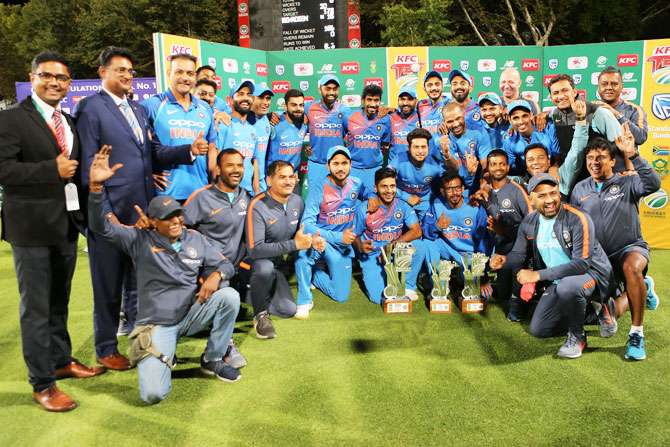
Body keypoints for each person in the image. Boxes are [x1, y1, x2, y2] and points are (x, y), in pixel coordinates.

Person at [74, 46, 204, 370]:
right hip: (110, 212)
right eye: (120, 70)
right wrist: (100, 212)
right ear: (102, 72)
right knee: (107, 284)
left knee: (138, 283)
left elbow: (154, 154)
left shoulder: (138, 110)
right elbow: (90, 167)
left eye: (130, 71)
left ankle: (139, 337)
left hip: (143, 211)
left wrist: (189, 150)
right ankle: (105, 348)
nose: (127, 75)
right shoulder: (90, 108)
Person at [88, 145, 242, 403]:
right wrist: (95, 189)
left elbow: (226, 264)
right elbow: (101, 228)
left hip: (192, 313)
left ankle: (213, 358)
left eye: (178, 216)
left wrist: (216, 276)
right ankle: (160, 353)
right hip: (158, 323)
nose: (175, 222)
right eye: (167, 218)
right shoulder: (139, 239)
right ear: (153, 221)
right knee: (152, 394)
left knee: (230, 295)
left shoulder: (194, 238)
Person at [0, 51, 105, 412]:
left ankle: (61, 362)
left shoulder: (68, 120)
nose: (55, 82)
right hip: (29, 229)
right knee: (36, 309)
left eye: (62, 77)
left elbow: (71, 171)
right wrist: (50, 169)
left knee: (59, 302)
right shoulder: (12, 119)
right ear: (33, 78)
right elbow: (4, 171)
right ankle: (42, 383)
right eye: (47, 76)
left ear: (69, 84)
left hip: (65, 226)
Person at [489, 173, 612, 358]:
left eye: (553, 193)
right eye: (542, 196)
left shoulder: (578, 217)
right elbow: (519, 254)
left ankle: (578, 337)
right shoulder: (529, 223)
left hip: (592, 275)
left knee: (568, 287)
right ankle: (598, 309)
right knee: (540, 328)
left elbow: (581, 264)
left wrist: (538, 275)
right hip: (558, 280)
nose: (549, 200)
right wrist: (505, 261)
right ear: (531, 199)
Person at [570, 134, 661, 360]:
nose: (595, 161)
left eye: (601, 157)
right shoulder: (580, 190)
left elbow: (653, 184)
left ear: (612, 161)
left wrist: (632, 154)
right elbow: (575, 226)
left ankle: (636, 335)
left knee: (632, 269)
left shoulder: (628, 180)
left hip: (630, 248)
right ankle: (643, 288)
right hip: (599, 259)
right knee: (604, 315)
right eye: (591, 157)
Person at [183, 148, 252, 367]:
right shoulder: (201, 197)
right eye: (230, 165)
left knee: (265, 268)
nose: (236, 170)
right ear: (218, 169)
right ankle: (224, 346)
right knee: (222, 284)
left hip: (235, 263)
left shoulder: (245, 196)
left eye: (240, 165)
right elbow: (180, 231)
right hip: (209, 266)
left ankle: (260, 315)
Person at [244, 161, 322, 337]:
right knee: (264, 268)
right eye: (282, 177)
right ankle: (260, 314)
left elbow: (301, 233)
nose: (289, 181)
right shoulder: (257, 205)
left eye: (291, 176)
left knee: (287, 310)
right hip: (253, 263)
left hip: (278, 264)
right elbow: (254, 250)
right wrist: (294, 245)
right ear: (269, 180)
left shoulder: (296, 201)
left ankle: (250, 292)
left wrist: (313, 241)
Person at [294, 146, 368, 318]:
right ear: (328, 166)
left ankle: (315, 274)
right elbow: (306, 224)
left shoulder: (356, 183)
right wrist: (337, 237)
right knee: (302, 255)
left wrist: (371, 198)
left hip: (342, 248)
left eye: (344, 163)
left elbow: (370, 193)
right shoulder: (318, 188)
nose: (340, 168)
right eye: (335, 163)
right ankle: (305, 300)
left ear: (350, 165)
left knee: (341, 296)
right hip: (323, 242)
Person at [142, 53, 217, 201]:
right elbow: (139, 149)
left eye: (190, 73)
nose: (185, 77)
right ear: (169, 74)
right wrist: (146, 175)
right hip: (166, 194)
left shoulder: (205, 108)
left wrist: (213, 184)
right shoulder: (151, 106)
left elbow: (212, 150)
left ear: (195, 77)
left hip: (201, 192)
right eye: (179, 72)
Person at [470, 150, 533, 320]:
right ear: (488, 168)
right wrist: (475, 198)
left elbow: (532, 223)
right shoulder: (487, 193)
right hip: (501, 249)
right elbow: (480, 201)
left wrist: (503, 230)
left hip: (520, 249)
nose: (498, 168)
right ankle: (512, 292)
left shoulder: (517, 190)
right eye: (494, 164)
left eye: (502, 164)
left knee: (514, 286)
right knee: (502, 294)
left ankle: (518, 305)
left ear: (508, 166)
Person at [353, 168, 427, 303]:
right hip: (373, 255)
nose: (389, 190)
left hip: (394, 251)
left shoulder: (403, 206)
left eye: (392, 186)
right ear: (376, 188)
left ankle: (408, 286)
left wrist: (391, 245)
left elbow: (417, 231)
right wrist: (359, 245)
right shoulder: (363, 209)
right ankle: (387, 274)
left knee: (419, 246)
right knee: (378, 298)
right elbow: (354, 235)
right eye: (384, 186)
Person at [422, 171, 493, 298]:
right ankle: (440, 286)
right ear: (443, 191)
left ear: (463, 189)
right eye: (449, 189)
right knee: (428, 243)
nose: (454, 193)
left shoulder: (474, 206)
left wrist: (483, 274)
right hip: (448, 249)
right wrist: (437, 226)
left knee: (481, 294)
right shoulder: (437, 204)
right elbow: (425, 230)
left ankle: (462, 274)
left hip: (470, 254)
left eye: (457, 188)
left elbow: (484, 240)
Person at [546, 74, 623, 183]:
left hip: (601, 180)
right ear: (551, 97)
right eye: (555, 93)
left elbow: (621, 145)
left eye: (565, 90)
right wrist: (541, 116)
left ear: (574, 92)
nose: (561, 96)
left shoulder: (597, 112)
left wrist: (625, 172)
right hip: (573, 183)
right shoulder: (555, 115)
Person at [389, 127, 457, 220]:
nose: (420, 151)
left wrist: (446, 154)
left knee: (427, 227)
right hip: (402, 199)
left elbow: (452, 175)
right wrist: (406, 197)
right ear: (409, 148)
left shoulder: (435, 164)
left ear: (428, 148)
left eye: (423, 147)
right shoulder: (399, 159)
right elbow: (384, 181)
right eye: (416, 147)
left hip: (425, 201)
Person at [213, 80, 258, 194]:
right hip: (227, 192)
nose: (246, 98)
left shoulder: (252, 129)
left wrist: (256, 192)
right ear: (231, 100)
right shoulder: (224, 124)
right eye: (240, 94)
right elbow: (215, 159)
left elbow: (254, 162)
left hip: (248, 194)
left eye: (249, 95)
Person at [344, 84, 391, 190]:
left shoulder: (385, 119)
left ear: (380, 101)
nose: (373, 104)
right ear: (363, 101)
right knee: (352, 204)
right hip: (353, 169)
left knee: (373, 204)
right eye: (369, 100)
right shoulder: (349, 116)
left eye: (376, 100)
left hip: (374, 170)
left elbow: (386, 143)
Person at [304, 75, 351, 185]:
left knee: (337, 200)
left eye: (335, 89)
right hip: (317, 164)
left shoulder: (344, 109)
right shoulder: (308, 108)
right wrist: (270, 116)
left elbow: (356, 132)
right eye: (328, 88)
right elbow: (289, 114)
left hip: (337, 166)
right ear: (320, 90)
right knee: (315, 200)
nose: (331, 92)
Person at [432, 102, 490, 184]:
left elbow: (485, 165)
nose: (456, 124)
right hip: (453, 184)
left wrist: (483, 185)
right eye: (450, 121)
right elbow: (453, 169)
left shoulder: (479, 131)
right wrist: (446, 153)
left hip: (475, 179)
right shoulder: (441, 138)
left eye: (458, 118)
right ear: (444, 121)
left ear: (463, 114)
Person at [595, 66, 648, 150]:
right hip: (597, 161)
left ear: (621, 87)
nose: (609, 87)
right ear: (598, 88)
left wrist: (616, 114)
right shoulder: (591, 110)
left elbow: (641, 137)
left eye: (614, 84)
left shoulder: (634, 110)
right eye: (604, 84)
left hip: (624, 162)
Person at [502, 100, 560, 176]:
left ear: (531, 115)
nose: (521, 121)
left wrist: (555, 167)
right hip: (526, 178)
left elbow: (559, 159)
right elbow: (507, 167)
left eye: (524, 116)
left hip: (551, 174)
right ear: (510, 120)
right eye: (516, 118)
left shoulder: (548, 128)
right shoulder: (510, 140)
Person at [266, 89, 306, 173]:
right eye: (294, 105)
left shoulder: (304, 122)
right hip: (274, 178)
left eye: (301, 105)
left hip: (293, 178)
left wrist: (339, 104)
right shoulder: (274, 121)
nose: (298, 108)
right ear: (285, 106)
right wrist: (267, 116)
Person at [249, 85, 274, 192]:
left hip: (261, 182)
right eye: (260, 97)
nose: (265, 102)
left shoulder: (266, 119)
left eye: (268, 98)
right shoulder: (242, 120)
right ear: (251, 99)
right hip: (246, 183)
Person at [387, 86, 420, 164]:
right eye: (402, 99)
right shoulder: (390, 117)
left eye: (410, 99)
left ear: (416, 101)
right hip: (394, 167)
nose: (405, 103)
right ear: (398, 100)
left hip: (415, 166)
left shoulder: (422, 117)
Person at [417, 71, 448, 135]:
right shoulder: (420, 105)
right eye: (429, 85)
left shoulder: (451, 104)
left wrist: (451, 124)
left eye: (437, 84)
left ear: (442, 86)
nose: (434, 88)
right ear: (424, 89)